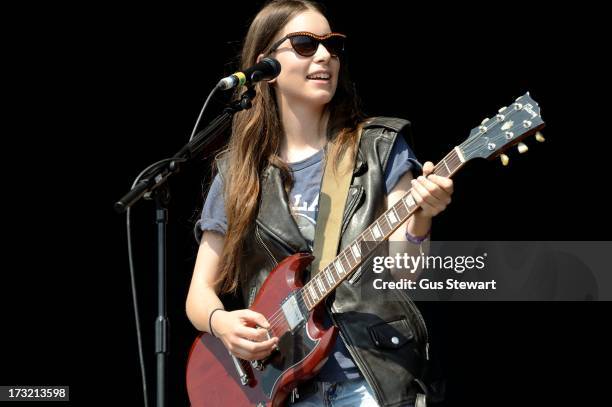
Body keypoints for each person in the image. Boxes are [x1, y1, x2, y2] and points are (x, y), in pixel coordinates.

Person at [186, 1, 454, 406]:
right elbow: (198, 293)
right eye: (305, 44)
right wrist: (222, 323)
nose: (326, 55)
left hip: (370, 384)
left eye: (332, 45)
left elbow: (403, 274)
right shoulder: (237, 172)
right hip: (280, 389)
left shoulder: (380, 148)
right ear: (266, 66)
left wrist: (422, 220)